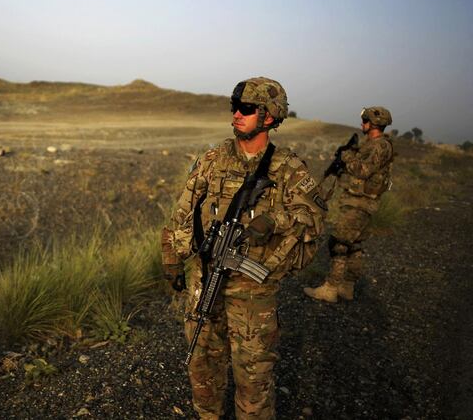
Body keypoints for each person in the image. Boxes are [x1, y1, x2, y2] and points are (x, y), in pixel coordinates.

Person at [161, 77, 325, 419]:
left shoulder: (289, 168)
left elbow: (313, 218)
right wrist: (173, 257)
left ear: (269, 116)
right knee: (202, 369)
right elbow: (184, 208)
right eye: (235, 107)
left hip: (253, 291)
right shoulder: (213, 159)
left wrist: (273, 222)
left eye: (247, 109)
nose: (237, 114)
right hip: (205, 279)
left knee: (253, 381)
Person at [304, 106, 394, 303]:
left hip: (360, 203)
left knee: (339, 244)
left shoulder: (380, 146)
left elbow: (363, 171)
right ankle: (347, 286)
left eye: (365, 121)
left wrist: (346, 157)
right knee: (354, 245)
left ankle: (330, 288)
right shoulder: (373, 145)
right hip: (358, 201)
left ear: (373, 124)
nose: (362, 124)